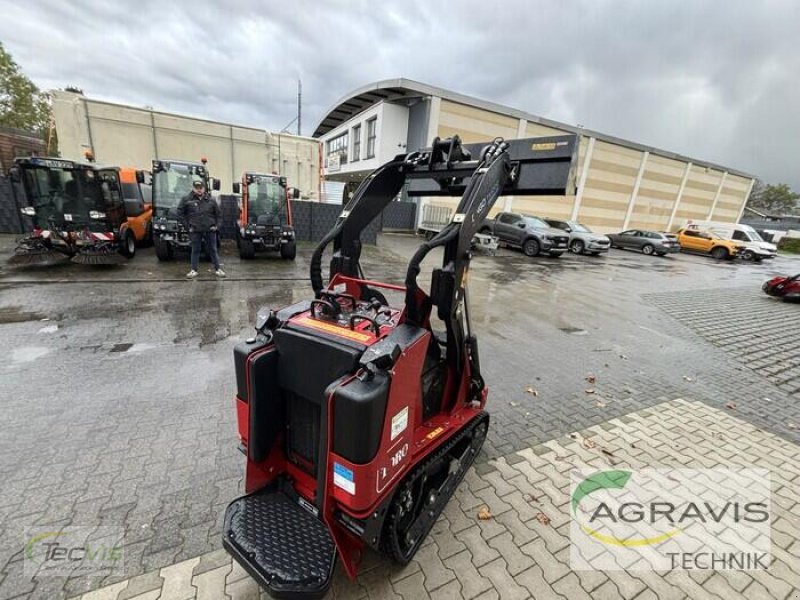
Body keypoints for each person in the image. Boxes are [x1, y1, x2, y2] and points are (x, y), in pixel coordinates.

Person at [178, 178, 225, 278]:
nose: (199, 190)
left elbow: (219, 215)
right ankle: (194, 270)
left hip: (210, 230)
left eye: (201, 188)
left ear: (204, 188)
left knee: (213, 250)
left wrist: (217, 226)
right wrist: (188, 227)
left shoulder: (211, 200)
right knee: (195, 250)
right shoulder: (186, 200)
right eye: (197, 188)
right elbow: (180, 214)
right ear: (193, 188)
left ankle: (218, 269)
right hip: (195, 230)